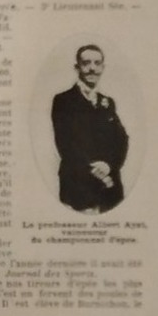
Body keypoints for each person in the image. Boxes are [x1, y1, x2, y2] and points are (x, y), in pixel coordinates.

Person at [51, 44, 129, 213]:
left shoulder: (108, 102)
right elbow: (65, 144)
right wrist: (94, 169)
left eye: (97, 63)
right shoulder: (63, 101)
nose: (92, 68)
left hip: (110, 191)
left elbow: (122, 140)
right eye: (86, 63)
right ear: (77, 67)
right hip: (79, 188)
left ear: (102, 67)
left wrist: (109, 166)